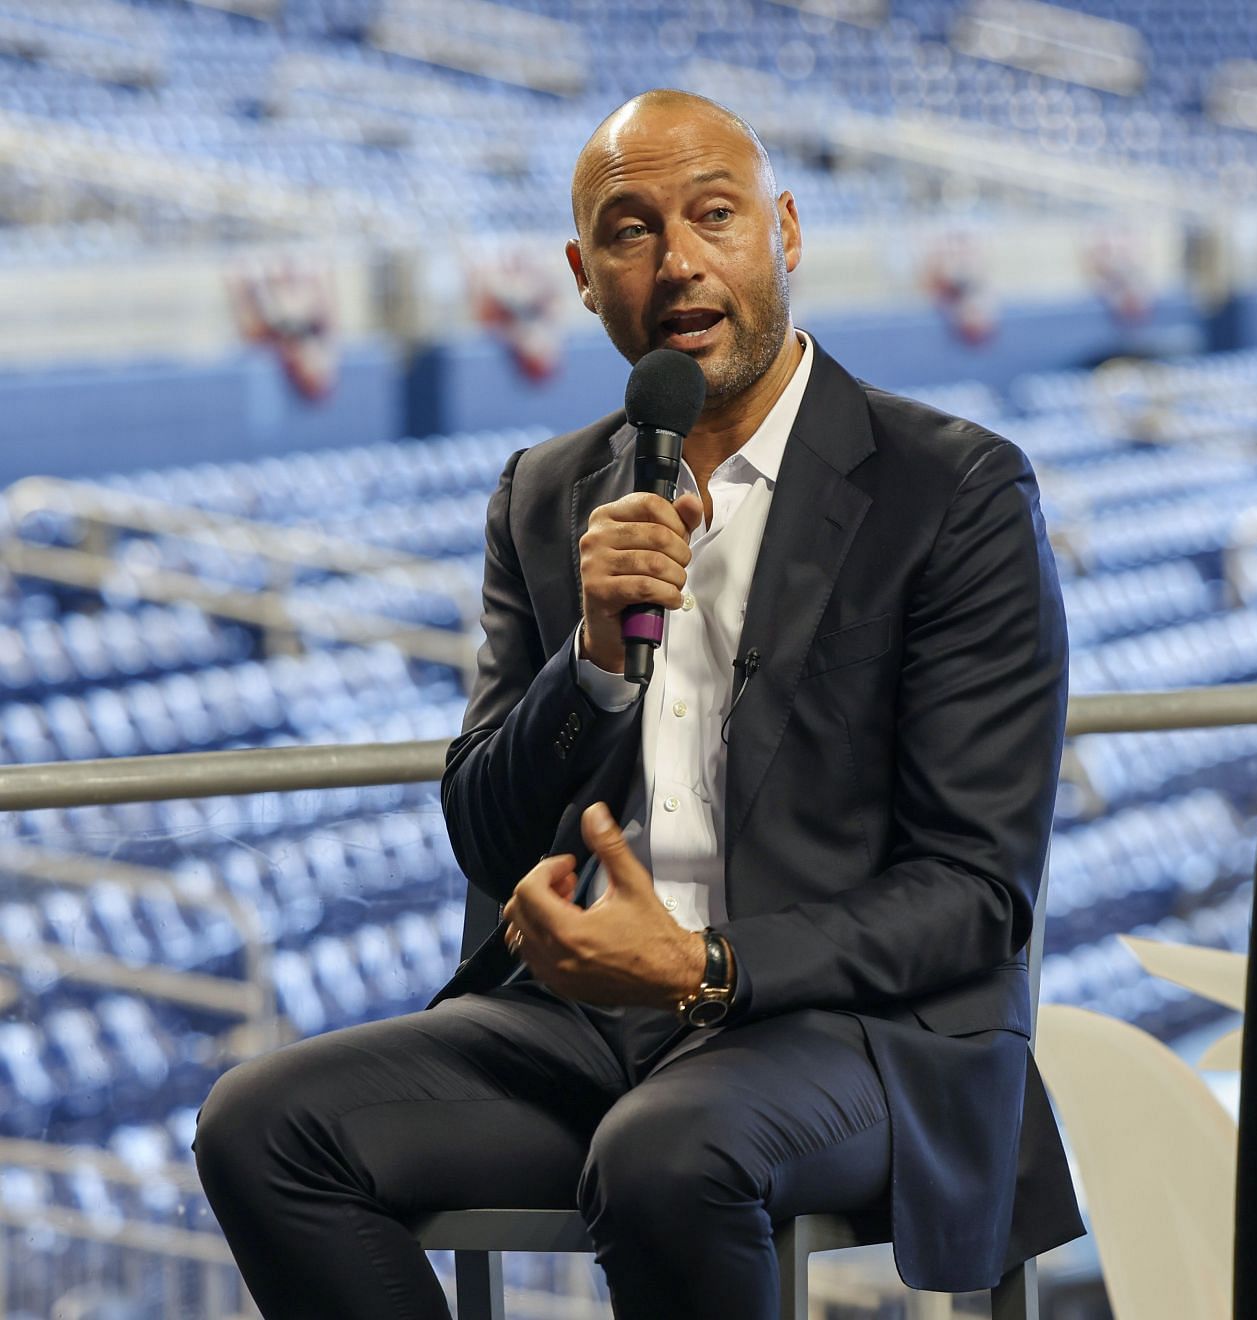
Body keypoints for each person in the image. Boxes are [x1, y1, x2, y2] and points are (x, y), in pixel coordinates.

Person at [192, 88, 1082, 1318]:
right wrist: (594, 661)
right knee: (260, 1123)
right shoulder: (544, 494)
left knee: (667, 1154)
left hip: (861, 1033)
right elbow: (486, 834)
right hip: (584, 1031)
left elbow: (978, 894)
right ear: (581, 273)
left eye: (714, 216)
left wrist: (707, 965)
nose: (677, 263)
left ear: (785, 230)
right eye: (630, 231)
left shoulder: (956, 488)